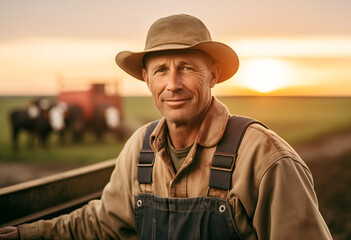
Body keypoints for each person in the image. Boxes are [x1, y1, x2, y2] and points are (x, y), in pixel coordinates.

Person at [0, 14, 332, 239]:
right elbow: (102, 222)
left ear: (213, 74)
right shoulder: (140, 148)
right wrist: (24, 234)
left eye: (186, 68)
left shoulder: (263, 158)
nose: (172, 84)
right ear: (146, 79)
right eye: (160, 70)